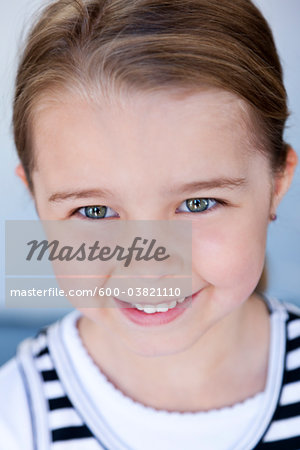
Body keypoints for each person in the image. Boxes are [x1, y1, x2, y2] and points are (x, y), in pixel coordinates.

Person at [1, 0, 300, 448]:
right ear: (37, 202)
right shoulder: (16, 420)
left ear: (277, 184)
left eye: (198, 203)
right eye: (95, 212)